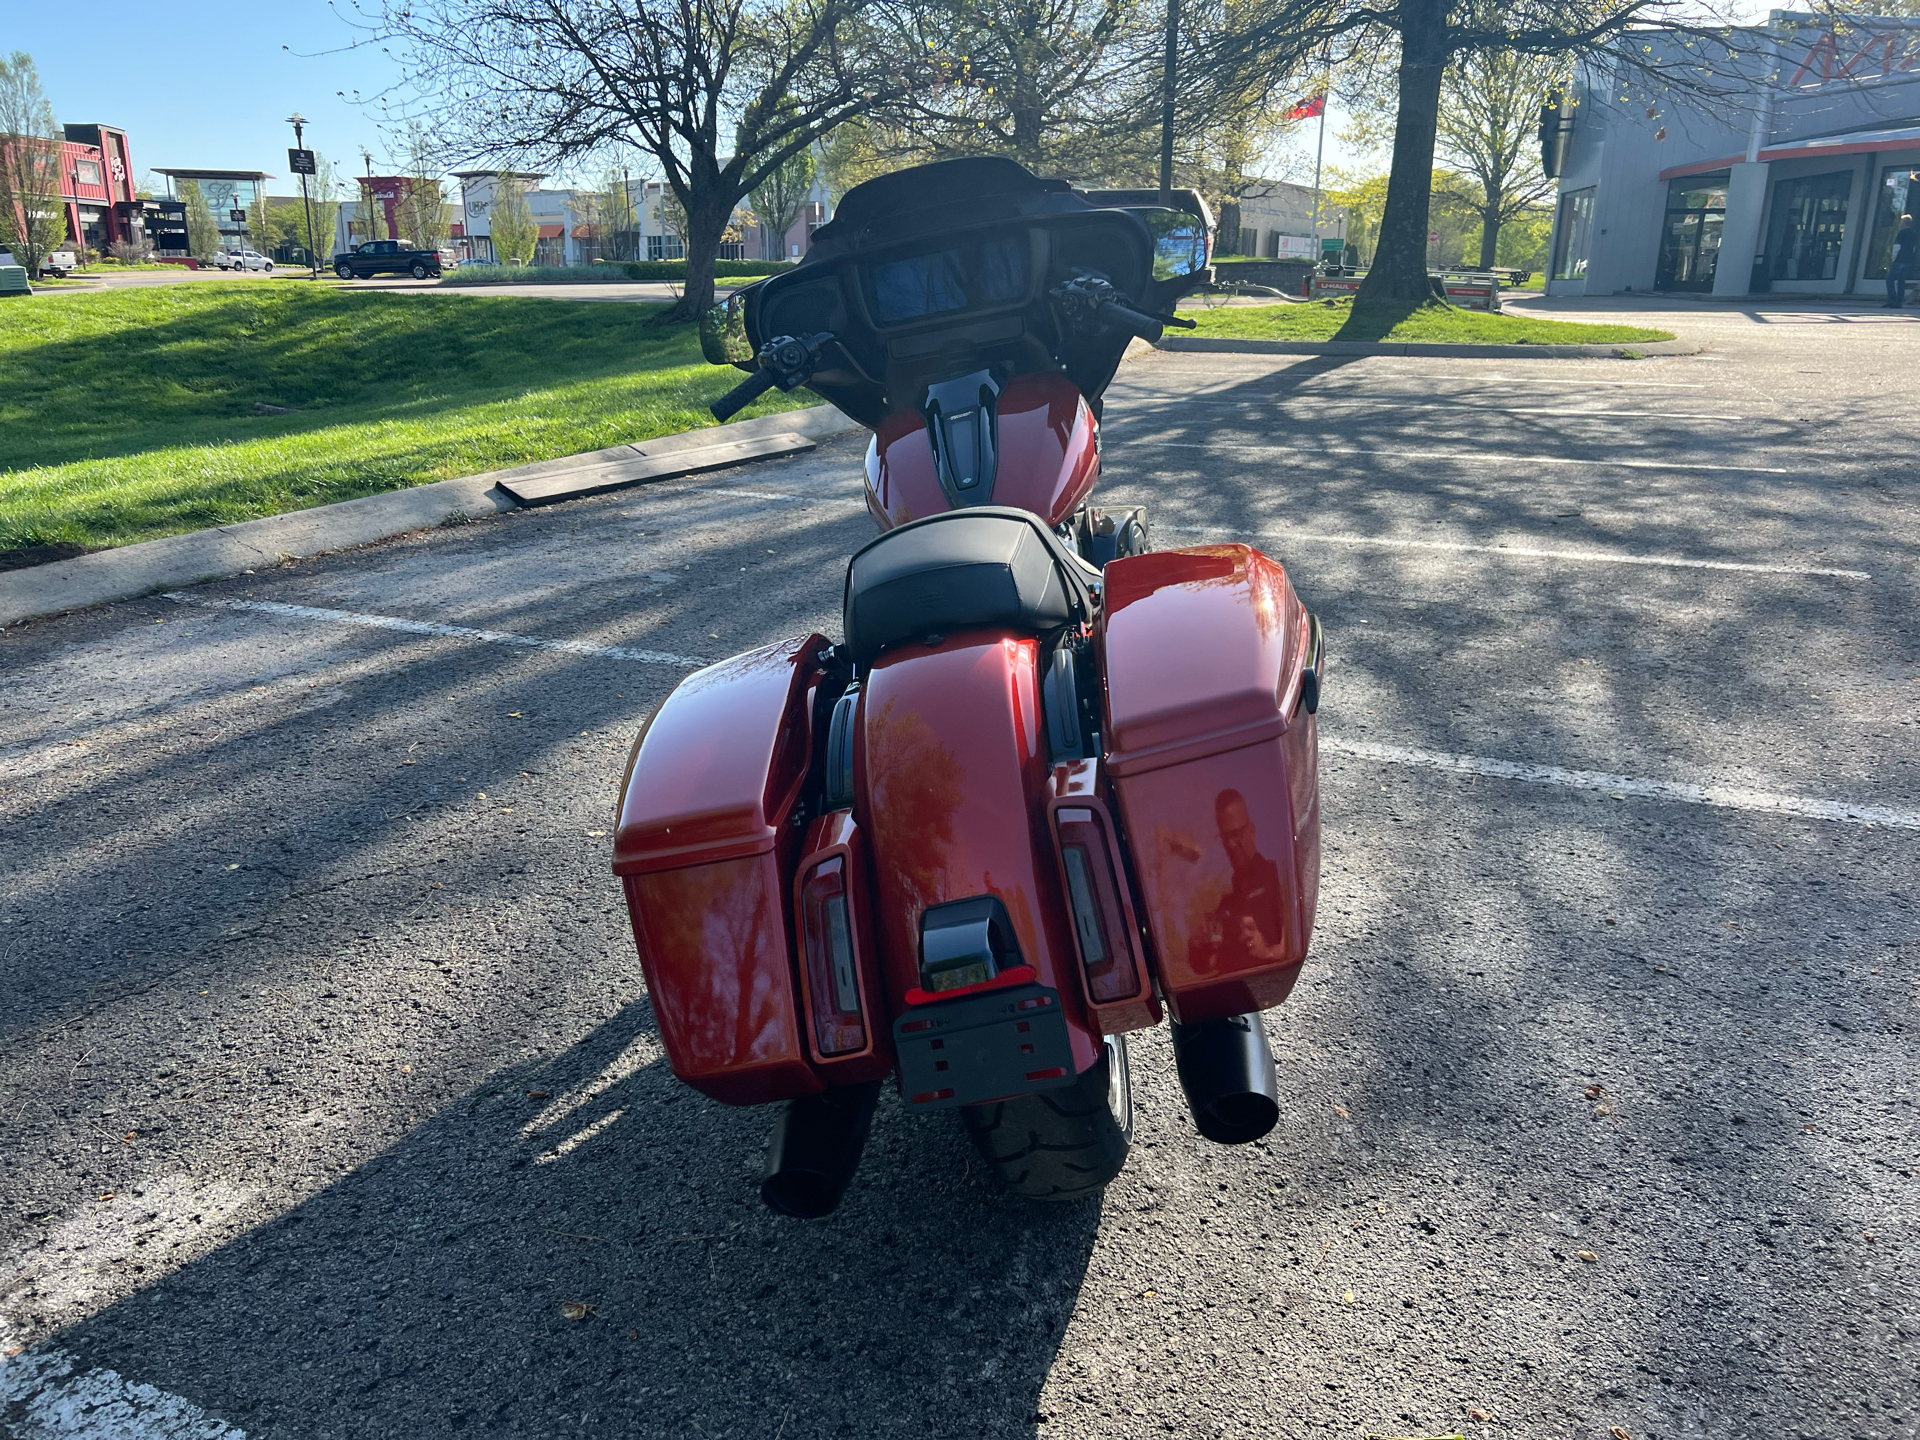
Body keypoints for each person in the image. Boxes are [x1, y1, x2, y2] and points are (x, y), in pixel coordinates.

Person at [1202, 789, 1290, 972]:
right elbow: (1206, 966)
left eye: (1236, 834)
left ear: (1251, 831)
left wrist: (1268, 952)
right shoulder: (1226, 902)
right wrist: (1202, 942)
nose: (1231, 844)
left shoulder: (1277, 878)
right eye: (1225, 837)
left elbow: (1298, 943)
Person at [1887, 212, 1916, 308]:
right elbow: (1914, 248)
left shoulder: (1901, 233)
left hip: (1899, 259)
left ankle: (1892, 299)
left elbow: (1897, 246)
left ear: (1904, 222)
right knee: (1901, 281)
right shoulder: (1913, 233)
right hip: (1907, 260)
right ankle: (1899, 301)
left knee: (1890, 279)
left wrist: (1893, 258)